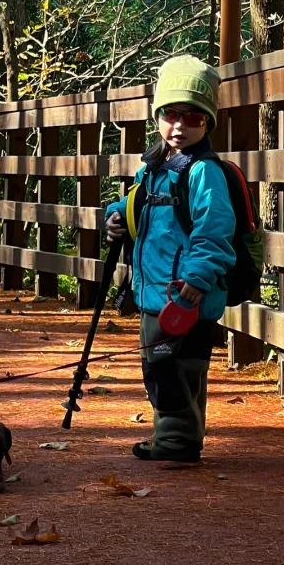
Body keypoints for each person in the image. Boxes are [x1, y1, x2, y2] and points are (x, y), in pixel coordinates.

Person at [105, 54, 235, 463]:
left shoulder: (203, 173)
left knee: (172, 370)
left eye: (193, 118)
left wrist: (197, 280)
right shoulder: (156, 167)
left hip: (184, 295)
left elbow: (215, 231)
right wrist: (114, 217)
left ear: (208, 122)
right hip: (156, 293)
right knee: (171, 368)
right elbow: (134, 207)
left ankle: (176, 442)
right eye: (171, 115)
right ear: (157, 115)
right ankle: (179, 436)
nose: (180, 126)